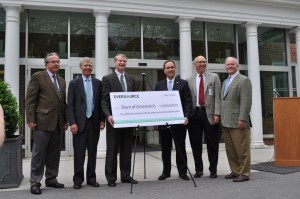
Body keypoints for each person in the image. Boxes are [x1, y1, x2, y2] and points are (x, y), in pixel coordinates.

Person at [25, 52, 68, 195]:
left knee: (54, 153)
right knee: (39, 154)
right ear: (46, 64)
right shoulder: (38, 77)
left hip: (58, 123)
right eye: (53, 62)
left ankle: (51, 178)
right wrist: (30, 118)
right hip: (42, 122)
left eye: (58, 62)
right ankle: (35, 182)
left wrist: (65, 120)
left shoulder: (62, 80)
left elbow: (63, 103)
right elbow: (30, 99)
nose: (56, 64)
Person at [68, 57, 105, 189]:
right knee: (79, 153)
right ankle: (78, 180)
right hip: (79, 124)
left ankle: (91, 178)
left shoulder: (98, 83)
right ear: (81, 67)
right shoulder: (74, 83)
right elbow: (70, 105)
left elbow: (100, 104)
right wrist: (72, 122)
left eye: (90, 65)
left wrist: (102, 120)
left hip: (94, 122)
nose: (88, 67)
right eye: (85, 65)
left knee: (93, 153)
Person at [101, 54, 138, 187]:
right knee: (112, 150)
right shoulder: (107, 79)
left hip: (128, 121)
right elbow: (104, 100)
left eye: (124, 61)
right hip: (114, 121)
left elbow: (134, 99)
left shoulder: (131, 79)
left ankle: (126, 175)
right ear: (114, 62)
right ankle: (111, 178)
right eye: (120, 61)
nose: (122, 63)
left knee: (127, 149)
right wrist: (108, 115)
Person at [155, 60, 193, 181]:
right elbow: (155, 103)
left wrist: (186, 116)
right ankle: (166, 172)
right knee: (165, 149)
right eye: (168, 68)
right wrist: (156, 120)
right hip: (164, 122)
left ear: (175, 68)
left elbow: (188, 101)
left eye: (172, 67)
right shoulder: (159, 85)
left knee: (180, 148)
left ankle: (182, 172)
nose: (170, 69)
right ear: (164, 70)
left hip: (179, 122)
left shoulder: (183, 83)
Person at [187, 55, 221, 179]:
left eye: (204, 62)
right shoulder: (189, 80)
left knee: (212, 143)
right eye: (199, 62)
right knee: (195, 144)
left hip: (210, 113)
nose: (202, 64)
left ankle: (213, 170)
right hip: (195, 114)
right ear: (194, 64)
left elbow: (218, 96)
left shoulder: (214, 77)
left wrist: (217, 113)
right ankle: (199, 170)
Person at [221, 57, 252, 182]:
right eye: (227, 64)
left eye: (232, 64)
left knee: (242, 149)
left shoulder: (244, 80)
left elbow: (246, 101)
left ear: (237, 66)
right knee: (231, 150)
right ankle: (235, 170)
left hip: (238, 120)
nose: (229, 66)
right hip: (226, 120)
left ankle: (244, 173)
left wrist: (243, 118)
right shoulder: (225, 81)